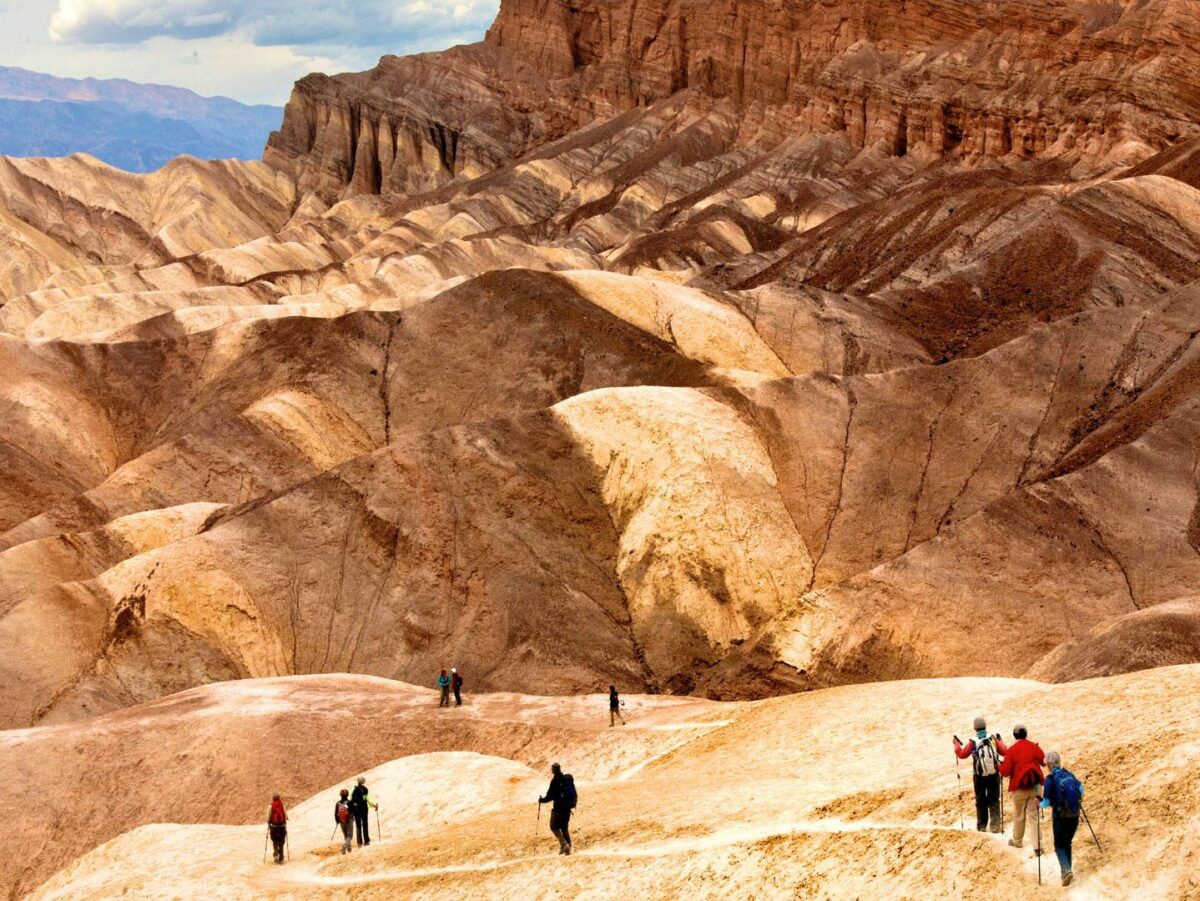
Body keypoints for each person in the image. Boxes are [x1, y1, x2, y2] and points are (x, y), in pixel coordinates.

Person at [953, 717, 1007, 832]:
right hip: (994, 774)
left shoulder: (973, 741)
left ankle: (982, 825)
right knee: (994, 799)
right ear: (985, 726)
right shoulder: (992, 738)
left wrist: (956, 744)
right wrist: (1000, 741)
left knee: (980, 800)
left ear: (975, 728)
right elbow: (1004, 751)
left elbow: (962, 754)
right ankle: (995, 826)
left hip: (978, 775)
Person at [998, 724, 1046, 853]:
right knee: (1033, 815)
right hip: (1035, 786)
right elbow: (1043, 761)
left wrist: (999, 766)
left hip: (1019, 787)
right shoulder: (1033, 746)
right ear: (1026, 734)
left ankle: (1017, 841)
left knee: (1019, 814)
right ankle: (1038, 847)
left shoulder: (1012, 750)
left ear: (1014, 735)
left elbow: (1005, 772)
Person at [1041, 751, 1084, 886]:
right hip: (1074, 815)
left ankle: (1066, 870)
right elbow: (1081, 790)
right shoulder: (1069, 774)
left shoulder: (1050, 779)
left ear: (1048, 764)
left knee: (1059, 845)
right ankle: (1067, 870)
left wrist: (1038, 804)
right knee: (1067, 843)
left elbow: (1046, 803)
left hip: (1060, 817)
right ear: (1059, 762)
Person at [538, 762, 577, 856]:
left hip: (558, 808)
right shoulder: (565, 779)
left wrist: (542, 800)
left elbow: (550, 796)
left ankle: (564, 844)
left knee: (553, 826)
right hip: (567, 807)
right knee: (564, 827)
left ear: (553, 770)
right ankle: (568, 847)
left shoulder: (555, 781)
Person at [350, 776, 378, 847]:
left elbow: (351, 800)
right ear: (363, 782)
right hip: (364, 808)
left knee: (358, 825)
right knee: (365, 823)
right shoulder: (365, 789)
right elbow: (367, 799)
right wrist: (374, 805)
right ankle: (366, 841)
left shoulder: (353, 789)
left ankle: (359, 842)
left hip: (356, 809)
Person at [266, 794, 287, 864]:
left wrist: (268, 822)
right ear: (279, 798)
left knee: (275, 841)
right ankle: (281, 855)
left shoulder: (270, 806)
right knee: (281, 841)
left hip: (274, 827)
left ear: (273, 799)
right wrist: (285, 819)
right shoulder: (282, 805)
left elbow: (268, 816)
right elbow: (285, 814)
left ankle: (275, 854)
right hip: (281, 826)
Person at [335, 789, 354, 855]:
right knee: (350, 836)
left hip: (341, 821)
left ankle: (349, 850)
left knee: (346, 836)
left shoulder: (338, 803)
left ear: (340, 795)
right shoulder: (349, 802)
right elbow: (352, 811)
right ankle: (344, 846)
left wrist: (337, 821)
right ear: (347, 795)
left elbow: (335, 813)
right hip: (349, 820)